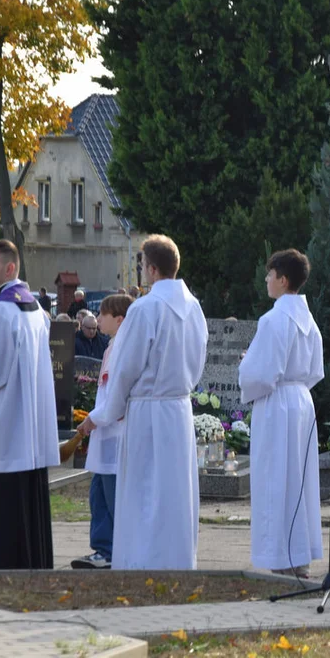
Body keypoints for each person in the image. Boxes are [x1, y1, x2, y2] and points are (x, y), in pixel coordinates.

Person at [103, 235, 208, 569]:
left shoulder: (145, 308)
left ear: (150, 268)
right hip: (178, 408)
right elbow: (199, 359)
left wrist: (109, 411)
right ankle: (177, 560)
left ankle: (141, 561)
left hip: (148, 410)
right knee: (174, 492)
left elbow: (125, 368)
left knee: (145, 490)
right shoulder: (194, 307)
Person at [0, 240, 59, 569]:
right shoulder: (35, 311)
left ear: (10, 268)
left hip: (2, 428)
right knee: (26, 506)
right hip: (29, 425)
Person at [239, 249, 325, 578]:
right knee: (298, 483)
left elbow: (260, 375)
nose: (266, 280)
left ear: (283, 279)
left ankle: (279, 556)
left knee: (276, 478)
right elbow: (316, 369)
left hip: (278, 404)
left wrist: (246, 363)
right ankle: (297, 556)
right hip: (301, 400)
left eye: (269, 274)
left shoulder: (274, 319)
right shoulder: (308, 319)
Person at [73, 293, 134, 570]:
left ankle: (114, 549)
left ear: (119, 319)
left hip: (113, 431)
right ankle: (103, 548)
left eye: (103, 315)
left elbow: (116, 397)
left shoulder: (122, 347)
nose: (97, 320)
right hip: (104, 430)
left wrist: (92, 420)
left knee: (111, 496)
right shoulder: (113, 345)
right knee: (98, 493)